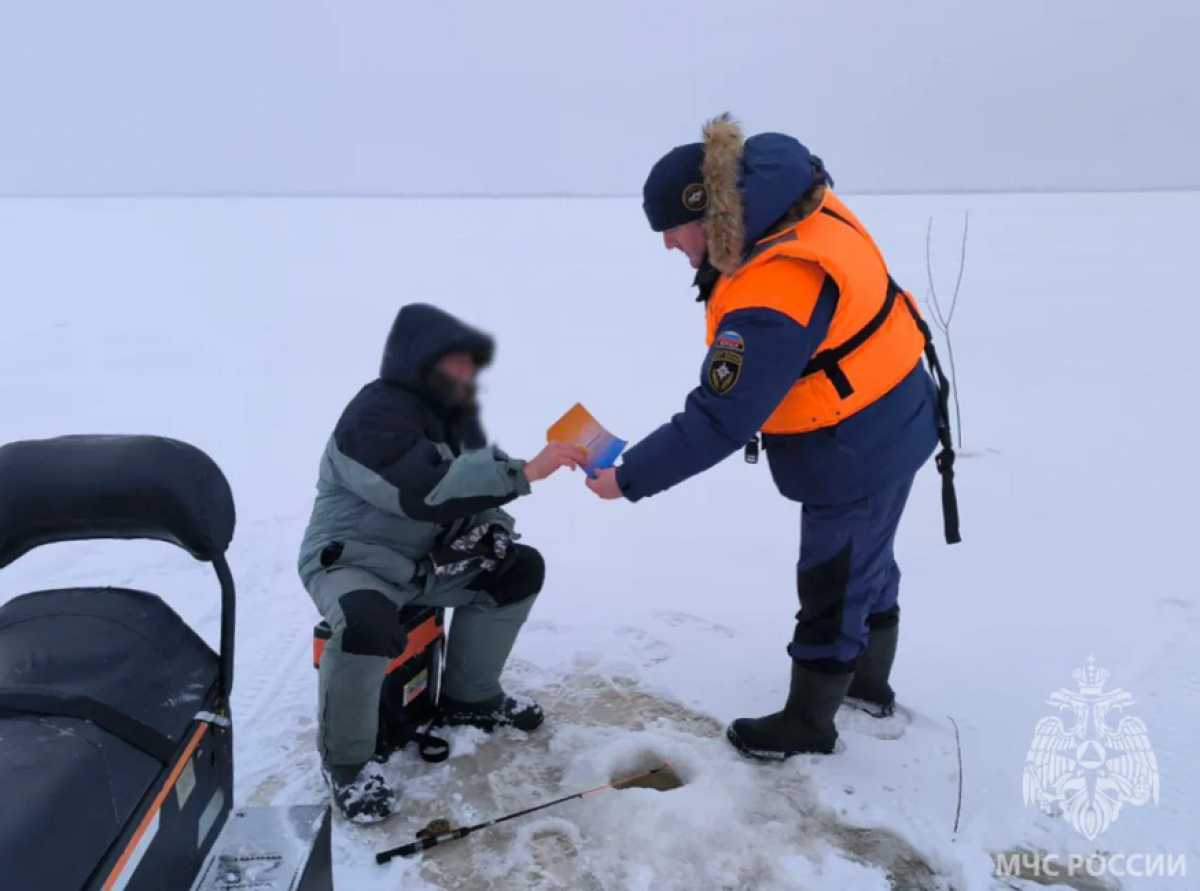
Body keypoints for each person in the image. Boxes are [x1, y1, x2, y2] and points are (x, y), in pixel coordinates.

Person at [585, 114, 958, 760]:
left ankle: (809, 723)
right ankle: (867, 685)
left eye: (671, 231)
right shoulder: (790, 205)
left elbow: (718, 418)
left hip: (856, 442)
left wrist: (628, 476)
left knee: (833, 578)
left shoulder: (774, 287)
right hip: (894, 408)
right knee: (867, 560)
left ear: (705, 213)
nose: (669, 247)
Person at [298, 303, 586, 823]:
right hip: (354, 564)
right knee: (367, 624)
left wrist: (493, 531)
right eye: (456, 362)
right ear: (418, 360)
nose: (468, 374)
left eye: (471, 365)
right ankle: (347, 764)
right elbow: (422, 490)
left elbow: (471, 493)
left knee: (518, 570)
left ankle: (470, 698)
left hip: (424, 566)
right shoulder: (374, 414)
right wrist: (526, 470)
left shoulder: (453, 420)